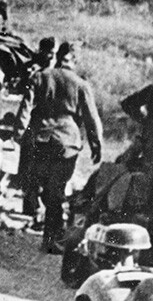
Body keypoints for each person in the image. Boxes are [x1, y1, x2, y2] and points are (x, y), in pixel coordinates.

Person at [15, 41, 103, 253]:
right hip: (66, 142)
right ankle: (51, 239)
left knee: (44, 186)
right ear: (75, 61)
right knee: (57, 190)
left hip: (41, 138)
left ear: (58, 56)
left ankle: (47, 225)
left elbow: (25, 106)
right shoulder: (81, 84)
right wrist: (96, 145)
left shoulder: (41, 76)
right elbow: (92, 119)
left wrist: (18, 134)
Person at [15, 36, 56, 229]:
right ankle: (32, 209)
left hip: (40, 126)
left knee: (34, 170)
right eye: (48, 51)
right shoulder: (32, 68)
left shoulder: (42, 72)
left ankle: (35, 210)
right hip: (42, 126)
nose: (49, 56)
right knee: (31, 169)